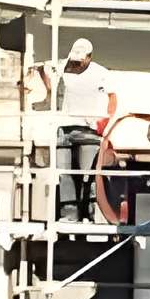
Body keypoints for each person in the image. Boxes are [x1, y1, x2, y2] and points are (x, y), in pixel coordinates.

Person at [38, 37, 116, 224]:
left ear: (89, 58)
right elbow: (42, 68)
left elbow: (113, 97)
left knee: (88, 174)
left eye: (80, 61)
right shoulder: (63, 65)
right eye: (74, 60)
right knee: (63, 173)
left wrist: (106, 121)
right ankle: (69, 213)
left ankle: (90, 213)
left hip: (89, 129)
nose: (76, 64)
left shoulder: (100, 72)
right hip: (63, 126)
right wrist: (50, 92)